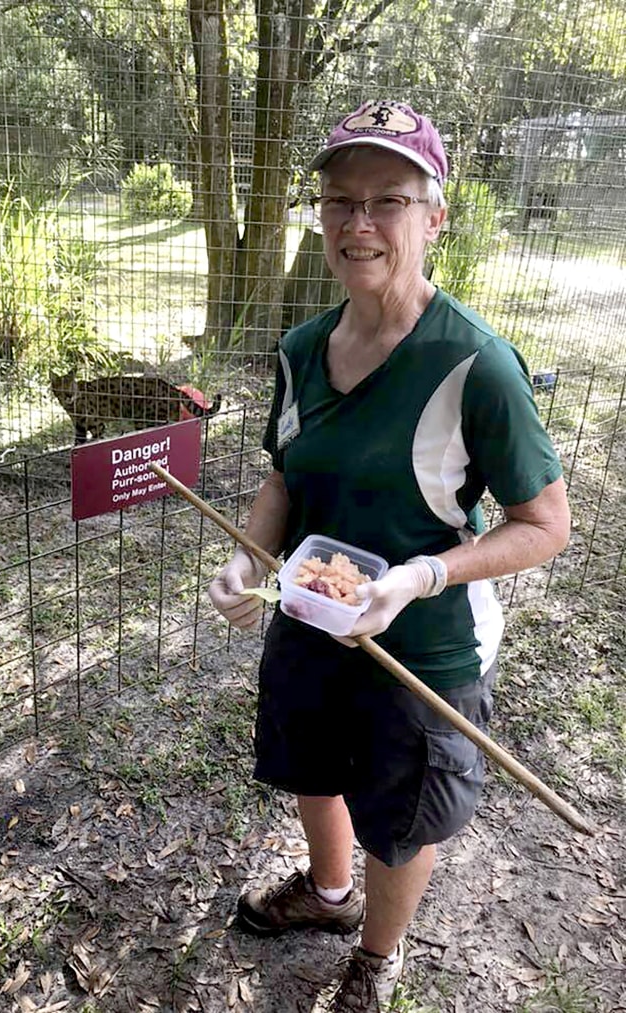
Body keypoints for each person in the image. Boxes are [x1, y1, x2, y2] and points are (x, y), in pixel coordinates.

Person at [208, 99, 570, 1012]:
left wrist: (420, 576)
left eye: (389, 201)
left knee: (401, 819)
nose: (358, 223)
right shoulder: (299, 349)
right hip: (313, 612)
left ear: (434, 215)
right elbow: (287, 476)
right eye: (339, 201)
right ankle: (330, 900)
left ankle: (377, 952)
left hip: (423, 643)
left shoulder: (476, 364)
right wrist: (251, 558)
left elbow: (545, 523)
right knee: (312, 765)